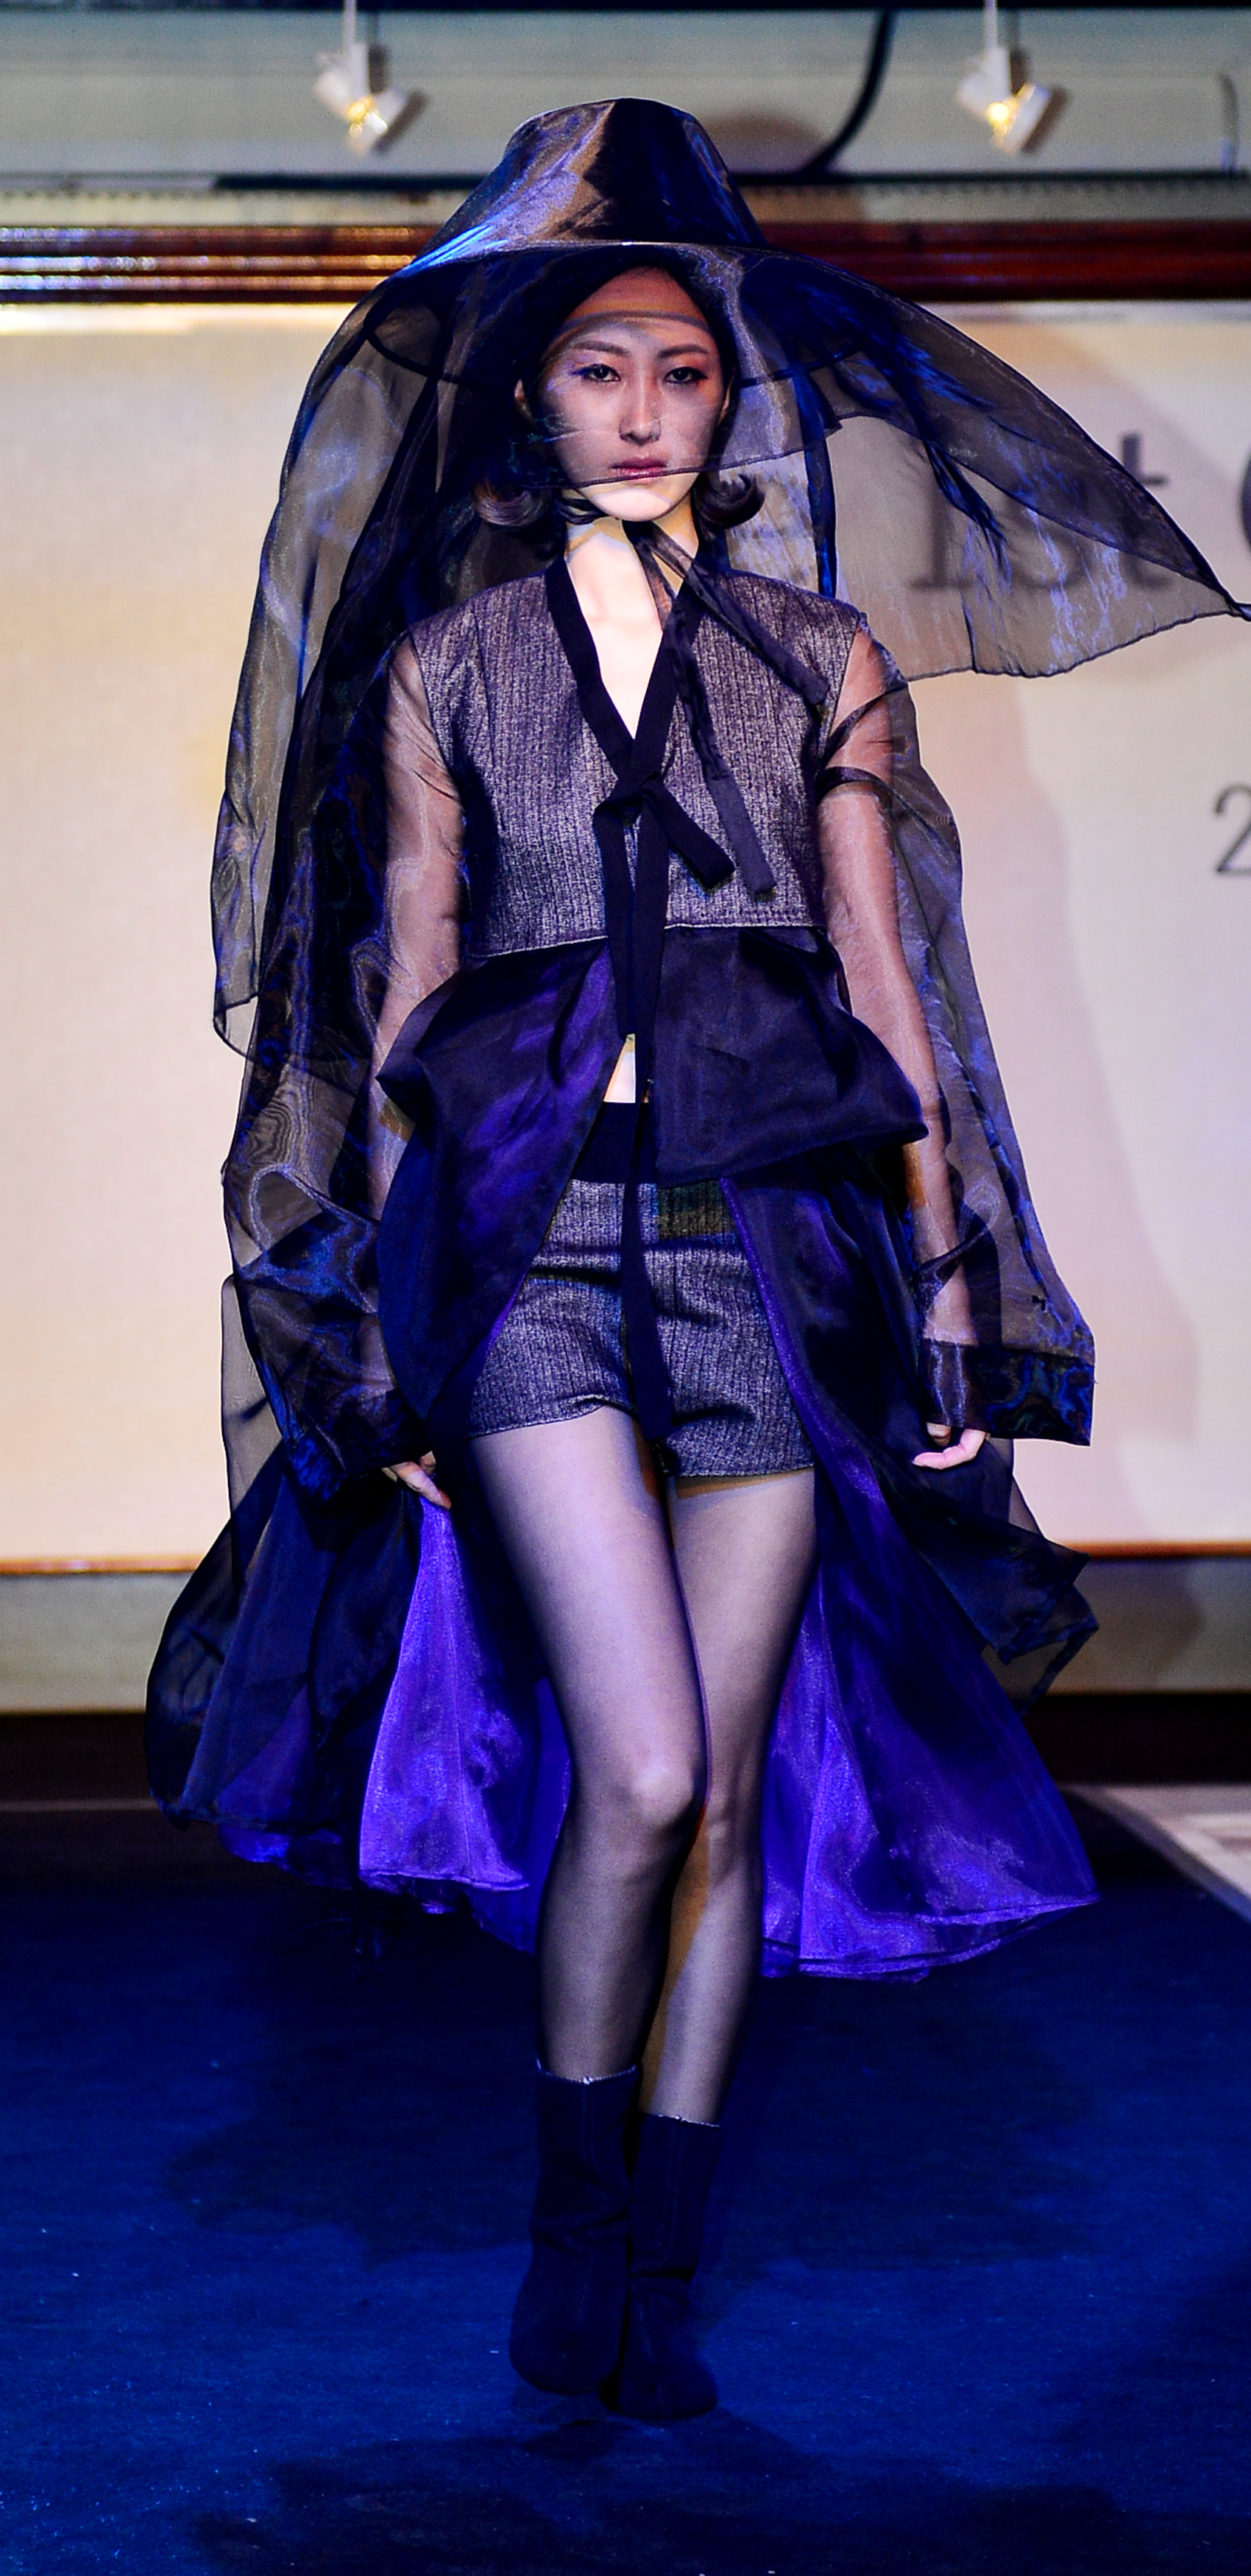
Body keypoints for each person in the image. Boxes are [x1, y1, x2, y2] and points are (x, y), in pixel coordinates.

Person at [147, 100, 1243, 2424]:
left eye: (680, 370)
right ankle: (570, 2214)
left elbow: (888, 989)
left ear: (722, 400)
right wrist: (380, 1322)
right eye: (598, 368)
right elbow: (405, 1005)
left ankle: (654, 2250)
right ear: (531, 400)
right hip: (532, 1254)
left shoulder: (816, 654)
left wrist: (948, 1280)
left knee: (731, 1784)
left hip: (772, 1250)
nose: (644, 408)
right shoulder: (447, 665)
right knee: (638, 1766)